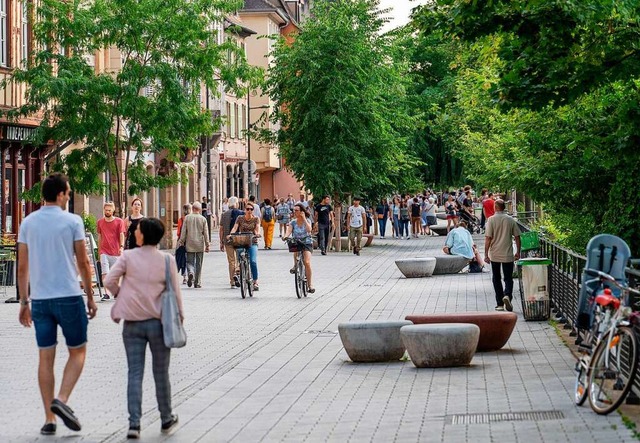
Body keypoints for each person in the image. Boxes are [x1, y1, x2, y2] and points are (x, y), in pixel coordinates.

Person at [17, 173, 98, 436]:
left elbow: (22, 267)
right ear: (61, 194)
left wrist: (23, 301)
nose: (69, 196)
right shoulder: (72, 221)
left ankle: (49, 419)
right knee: (78, 352)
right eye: (69, 192)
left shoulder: (28, 223)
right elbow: (84, 262)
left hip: (40, 300)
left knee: (45, 357)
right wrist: (90, 296)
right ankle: (61, 399)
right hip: (68, 296)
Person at [106, 218, 182, 439]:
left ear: (143, 235)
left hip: (132, 324)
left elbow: (110, 280)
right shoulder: (167, 261)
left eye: (137, 230)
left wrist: (122, 295)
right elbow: (175, 294)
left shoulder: (128, 257)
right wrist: (180, 318)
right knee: (161, 373)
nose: (135, 232)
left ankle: (134, 424)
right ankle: (166, 418)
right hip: (159, 323)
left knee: (135, 373)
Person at [484, 199, 521, 312]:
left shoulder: (491, 220)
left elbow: (488, 238)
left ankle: (499, 303)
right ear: (504, 207)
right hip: (507, 254)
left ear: (495, 207)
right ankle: (507, 295)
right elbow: (517, 237)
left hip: (495, 253)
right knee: (508, 278)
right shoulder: (510, 220)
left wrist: (486, 254)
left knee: (496, 278)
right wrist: (518, 252)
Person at [228, 202, 261, 291]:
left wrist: (257, 234)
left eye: (251, 209)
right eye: (247, 209)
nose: (249, 211)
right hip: (241, 241)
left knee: (253, 261)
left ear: (253, 211)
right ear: (244, 210)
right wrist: (231, 234)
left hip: (252, 241)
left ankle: (255, 282)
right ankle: (239, 271)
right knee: (239, 254)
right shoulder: (240, 218)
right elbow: (235, 227)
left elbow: (257, 228)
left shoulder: (256, 219)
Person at [177, 201, 210, 288]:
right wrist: (207, 245)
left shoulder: (187, 218)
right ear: (199, 209)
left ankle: (191, 272)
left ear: (192, 208)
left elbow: (183, 232)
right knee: (199, 264)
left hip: (189, 244)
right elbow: (206, 233)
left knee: (189, 262)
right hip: (199, 244)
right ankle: (197, 282)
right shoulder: (203, 219)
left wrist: (181, 241)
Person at [97, 201, 125, 301]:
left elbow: (121, 235)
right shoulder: (100, 222)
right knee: (105, 272)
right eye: (106, 210)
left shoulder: (119, 222)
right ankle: (107, 293)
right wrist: (99, 251)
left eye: (109, 210)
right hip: (104, 251)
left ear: (113, 210)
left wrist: (121, 247)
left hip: (116, 251)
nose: (107, 212)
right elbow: (99, 237)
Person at [284, 203, 315, 293]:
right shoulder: (293, 222)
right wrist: (285, 236)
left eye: (296, 210)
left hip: (307, 242)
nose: (294, 212)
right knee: (294, 246)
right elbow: (289, 230)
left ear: (302, 211)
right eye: (294, 210)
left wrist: (304, 218)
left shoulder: (307, 220)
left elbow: (309, 230)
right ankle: (295, 265)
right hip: (297, 242)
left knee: (307, 262)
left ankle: (310, 285)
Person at [219, 197, 240, 289]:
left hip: (228, 240)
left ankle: (232, 281)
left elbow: (221, 229)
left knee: (231, 261)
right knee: (239, 259)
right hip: (240, 239)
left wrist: (221, 242)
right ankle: (238, 274)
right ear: (236, 203)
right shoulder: (241, 213)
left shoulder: (224, 214)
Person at [176, 204, 191, 284]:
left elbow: (178, 232)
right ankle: (191, 274)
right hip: (190, 241)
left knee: (182, 259)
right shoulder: (191, 219)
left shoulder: (181, 220)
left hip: (182, 242)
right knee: (190, 259)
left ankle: (184, 277)